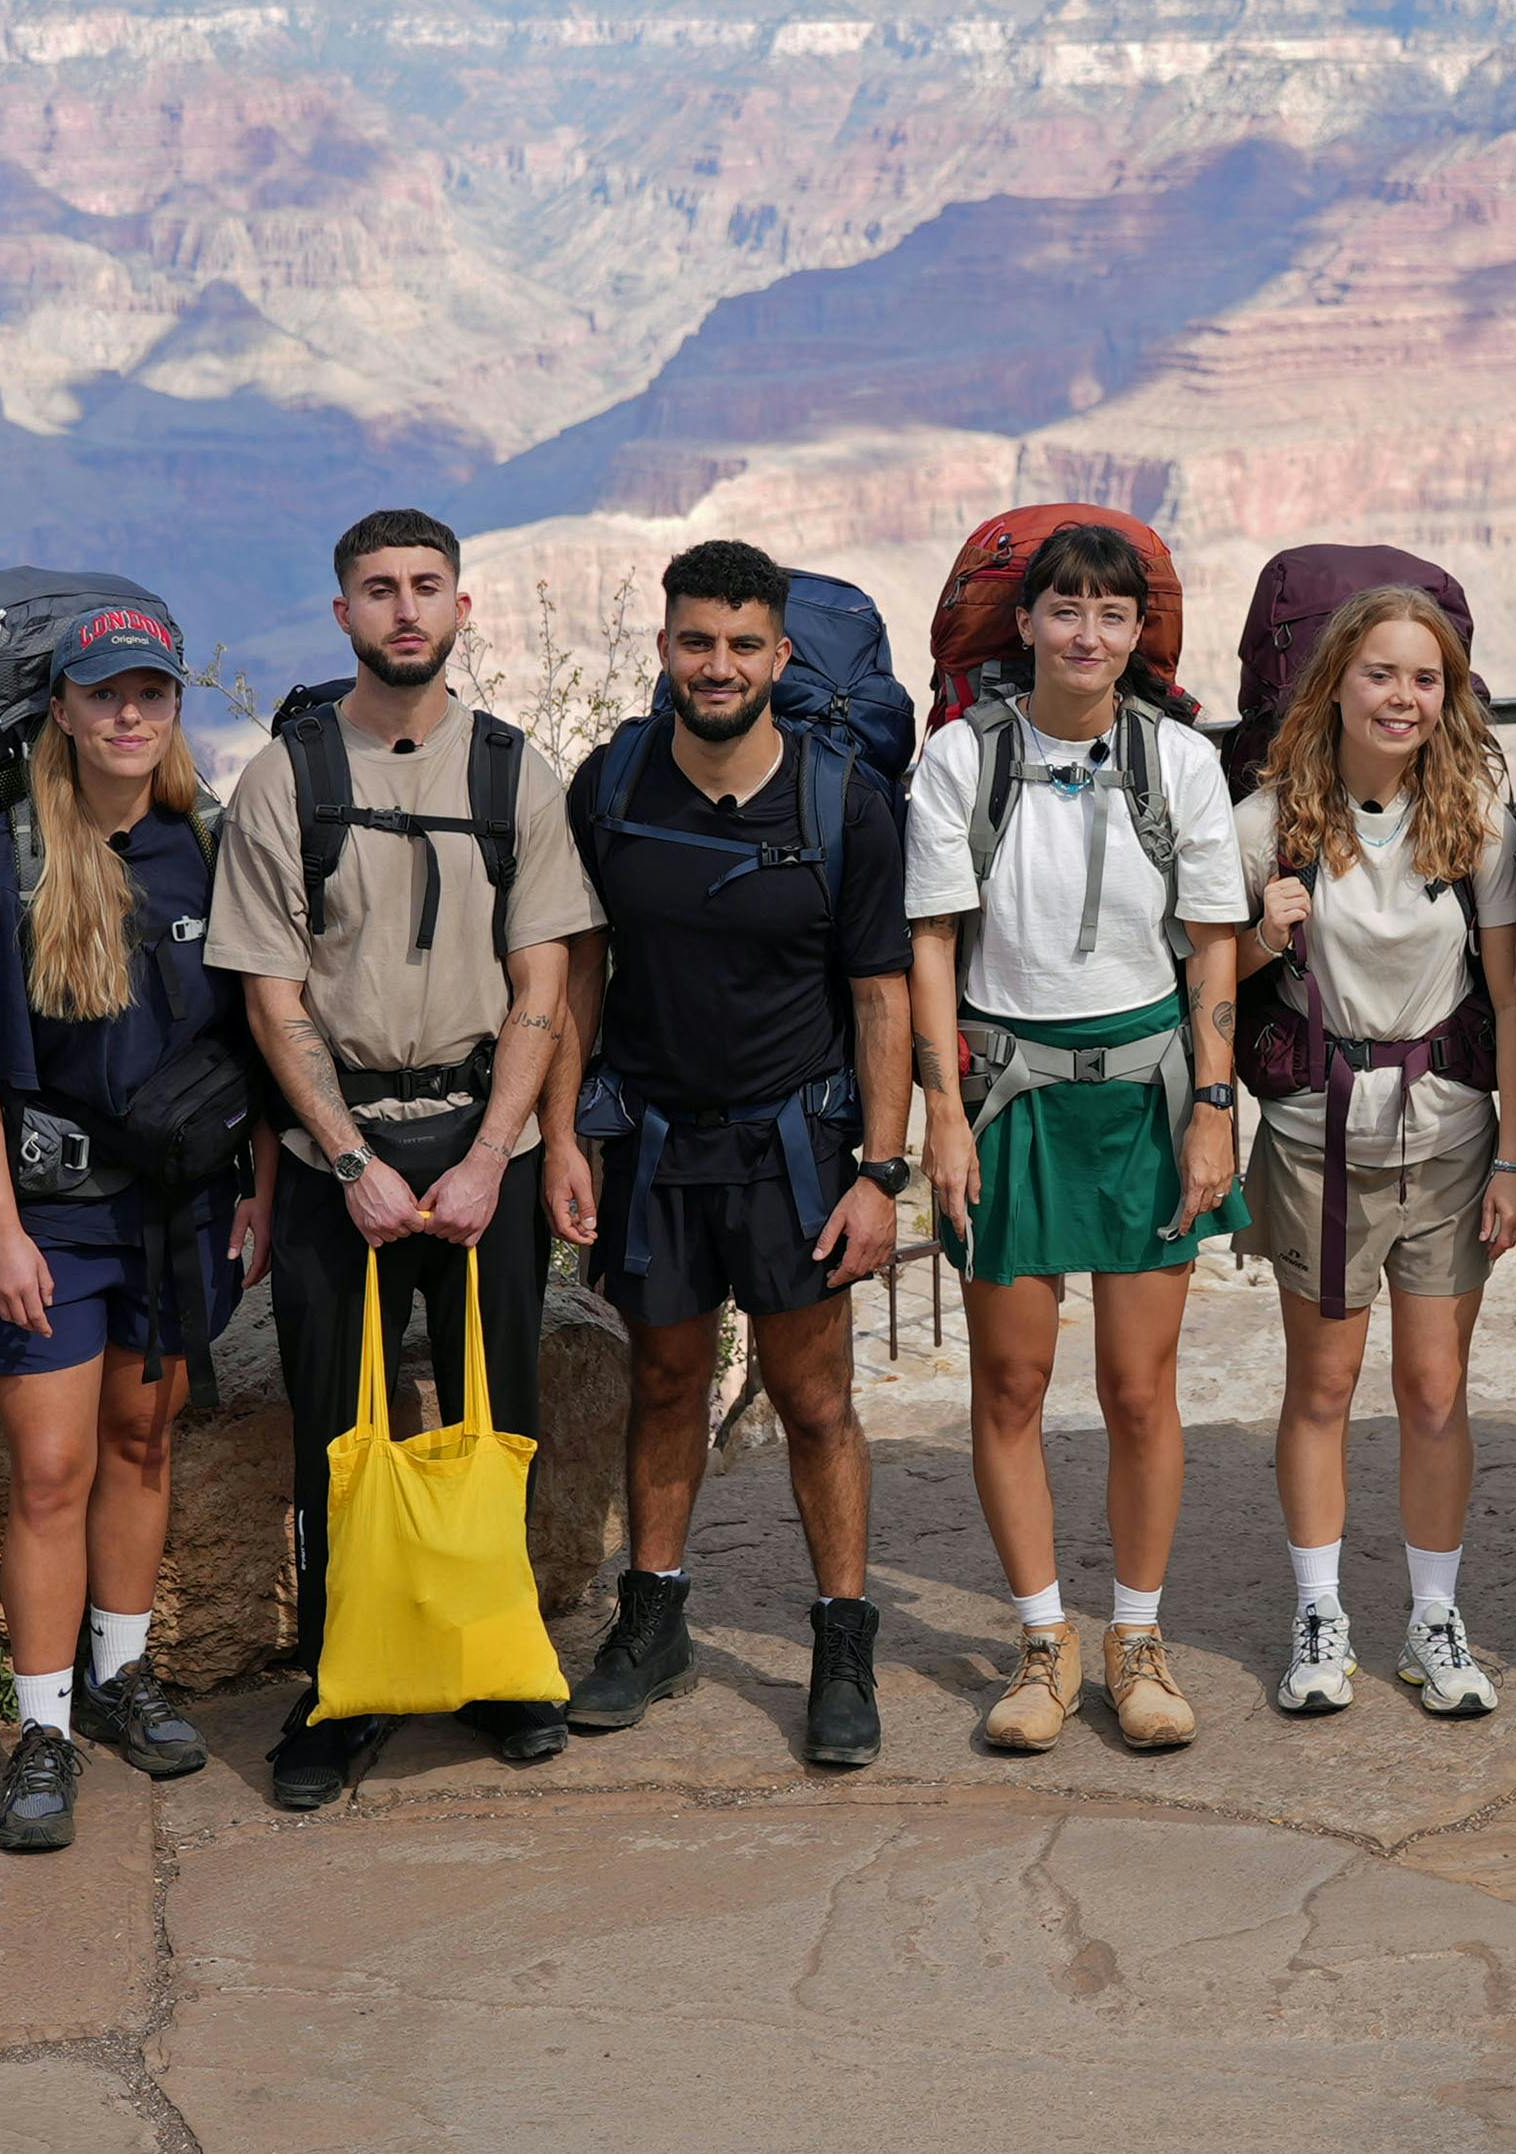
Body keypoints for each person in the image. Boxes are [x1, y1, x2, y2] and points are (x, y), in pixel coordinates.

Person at [206, 507, 604, 1809]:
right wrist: (346, 1157)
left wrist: (498, 1153)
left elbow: (547, 979)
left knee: (501, 1418)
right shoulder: (290, 779)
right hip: (347, 1153)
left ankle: (498, 1668)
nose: (405, 609)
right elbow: (273, 994)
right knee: (338, 1431)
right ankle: (340, 1687)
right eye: (378, 589)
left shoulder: (510, 774)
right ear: (343, 614)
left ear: (462, 607)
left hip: (484, 1133)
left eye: (428, 585)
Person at [548, 539, 910, 1767]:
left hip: (797, 1152)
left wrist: (883, 1170)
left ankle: (842, 1648)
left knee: (817, 1402)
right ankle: (653, 1627)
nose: (719, 664)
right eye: (697, 641)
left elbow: (880, 997)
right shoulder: (612, 787)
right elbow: (579, 973)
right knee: (663, 1386)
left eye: (743, 644)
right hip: (652, 1145)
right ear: (663, 649)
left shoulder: (838, 802)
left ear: (781, 656)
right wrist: (564, 1137)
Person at [0, 606, 277, 1851]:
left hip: (182, 1212)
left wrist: (264, 1193)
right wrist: (2, 1233)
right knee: (50, 1470)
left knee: (143, 1446)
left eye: (151, 694)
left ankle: (123, 1675)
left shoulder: (211, 848)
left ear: (172, 709)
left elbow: (259, 1043)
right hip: (57, 1219)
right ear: (62, 714)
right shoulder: (6, 864)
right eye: (103, 696)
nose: (129, 716)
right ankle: (42, 1728)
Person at [907, 519, 1251, 1754]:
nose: (1089, 635)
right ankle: (1044, 1644)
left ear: (1137, 633)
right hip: (1012, 1099)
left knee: (1139, 1387)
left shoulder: (1179, 763)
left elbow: (1215, 940)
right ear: (1028, 623)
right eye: (1066, 609)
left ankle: (1138, 1639)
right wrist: (941, 1115)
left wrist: (1214, 1110)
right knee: (1010, 1384)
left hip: (1149, 1095)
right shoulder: (962, 760)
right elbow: (934, 942)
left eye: (1114, 614)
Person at [1235, 587, 1516, 1720]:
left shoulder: (1474, 824)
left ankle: (1432, 1615)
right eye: (1381, 673)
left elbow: (1511, 1003)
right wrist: (1264, 937)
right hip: (1319, 1137)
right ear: (1337, 686)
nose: (1403, 697)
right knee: (1321, 1384)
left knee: (1433, 1385)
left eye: (1426, 678)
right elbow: (1207, 981)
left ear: (1449, 694)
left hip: (1452, 1137)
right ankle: (1319, 1615)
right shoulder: (1272, 822)